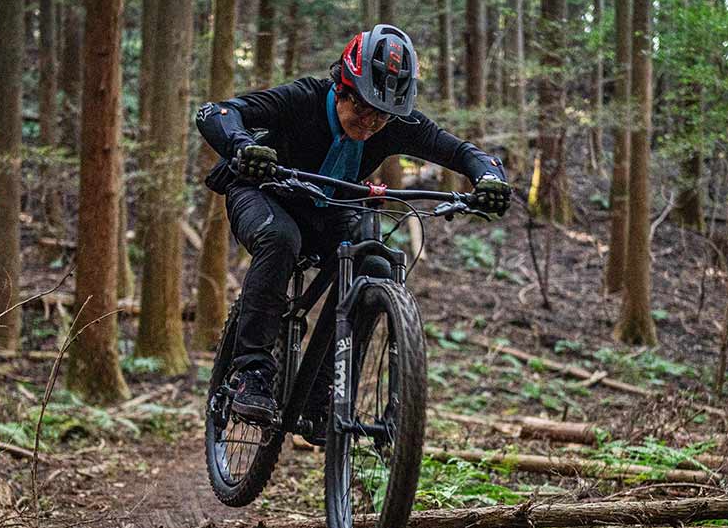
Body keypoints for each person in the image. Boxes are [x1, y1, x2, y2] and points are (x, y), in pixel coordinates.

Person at [196, 24, 511, 444]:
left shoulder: (392, 124)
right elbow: (215, 112)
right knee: (281, 240)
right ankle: (250, 372)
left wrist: (488, 178)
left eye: (383, 116)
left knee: (375, 263)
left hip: (330, 208)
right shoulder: (303, 99)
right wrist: (241, 146)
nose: (371, 123)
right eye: (363, 109)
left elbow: (460, 151)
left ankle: (324, 390)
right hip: (262, 193)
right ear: (341, 88)